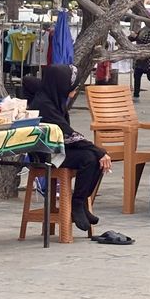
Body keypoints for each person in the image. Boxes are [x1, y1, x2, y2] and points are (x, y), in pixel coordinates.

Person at [22, 65, 112, 233]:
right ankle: (77, 203)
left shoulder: (53, 97)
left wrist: (99, 152)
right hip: (45, 154)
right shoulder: (44, 104)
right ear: (60, 84)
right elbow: (67, 134)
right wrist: (99, 151)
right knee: (91, 157)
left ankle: (81, 201)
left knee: (94, 157)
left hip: (58, 148)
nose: (75, 88)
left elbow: (29, 80)